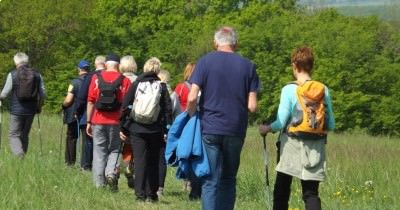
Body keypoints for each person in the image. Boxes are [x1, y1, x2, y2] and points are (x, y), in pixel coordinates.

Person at [187, 26, 259, 210]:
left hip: (210, 127)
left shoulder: (204, 62)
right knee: (228, 178)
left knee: (210, 179)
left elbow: (192, 97)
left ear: (215, 42)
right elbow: (252, 106)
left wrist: (191, 116)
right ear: (236, 43)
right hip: (235, 129)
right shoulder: (248, 66)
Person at [259, 46, 335, 210]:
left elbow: (280, 122)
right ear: (312, 66)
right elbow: (331, 124)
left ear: (294, 65)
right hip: (316, 145)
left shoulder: (288, 89)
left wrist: (266, 129)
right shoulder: (323, 90)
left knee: (282, 189)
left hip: (290, 145)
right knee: (311, 193)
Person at [120, 57, 172, 202]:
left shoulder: (137, 84)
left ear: (145, 68)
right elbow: (168, 110)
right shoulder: (161, 86)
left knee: (140, 160)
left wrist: (123, 128)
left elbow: (125, 105)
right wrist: (167, 130)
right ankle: (151, 194)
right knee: (153, 161)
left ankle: (139, 194)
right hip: (155, 130)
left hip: (136, 128)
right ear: (158, 70)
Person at [86, 53, 131, 191]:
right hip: (116, 122)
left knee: (99, 152)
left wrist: (89, 121)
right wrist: (125, 126)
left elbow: (90, 101)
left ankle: (99, 185)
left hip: (98, 120)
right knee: (114, 150)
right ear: (118, 65)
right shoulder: (125, 80)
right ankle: (111, 173)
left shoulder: (96, 77)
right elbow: (127, 105)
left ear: (105, 64)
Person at [0, 52, 46, 158]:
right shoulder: (37, 74)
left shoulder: (12, 74)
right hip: (31, 111)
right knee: (24, 134)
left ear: (16, 62)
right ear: (27, 61)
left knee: (13, 134)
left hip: (17, 111)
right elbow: (43, 94)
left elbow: (4, 94)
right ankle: (22, 157)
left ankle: (19, 154)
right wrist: (39, 106)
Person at [75, 55, 106, 170]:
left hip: (90, 113)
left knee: (88, 141)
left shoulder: (90, 76)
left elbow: (82, 97)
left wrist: (77, 111)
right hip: (108, 115)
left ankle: (86, 165)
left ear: (95, 64)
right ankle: (103, 166)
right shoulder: (112, 76)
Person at [62, 60, 89, 167]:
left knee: (71, 137)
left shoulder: (75, 82)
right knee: (87, 139)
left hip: (74, 114)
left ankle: (70, 163)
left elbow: (68, 100)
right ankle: (86, 164)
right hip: (88, 113)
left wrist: (63, 106)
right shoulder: (92, 80)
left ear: (79, 69)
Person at [119, 55, 138, 188]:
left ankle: (125, 166)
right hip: (136, 117)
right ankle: (133, 167)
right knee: (135, 145)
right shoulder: (139, 80)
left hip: (120, 117)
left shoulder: (118, 79)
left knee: (123, 145)